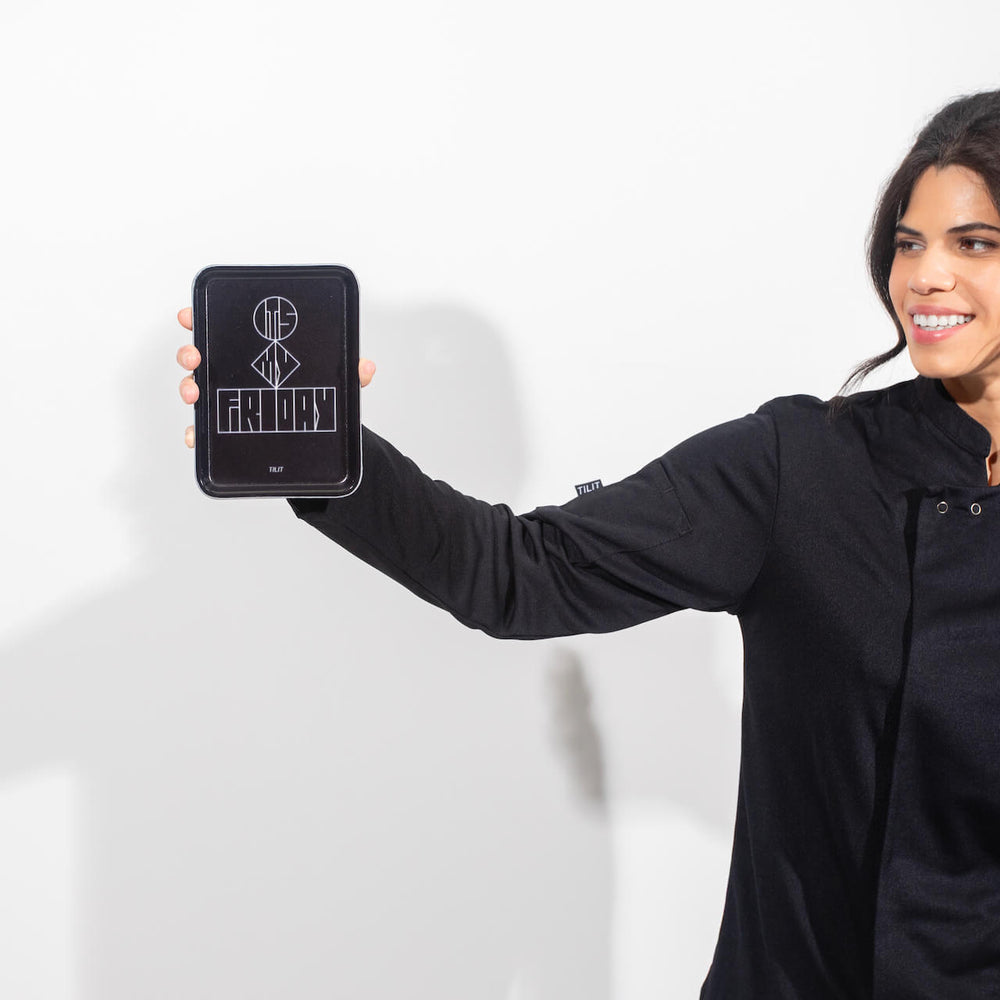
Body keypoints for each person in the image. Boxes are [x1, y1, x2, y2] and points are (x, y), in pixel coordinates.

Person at [176, 90, 1000, 998]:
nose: (925, 276)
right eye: (910, 243)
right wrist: (324, 450)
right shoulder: (801, 467)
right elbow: (518, 573)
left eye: (973, 244)